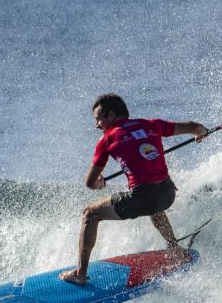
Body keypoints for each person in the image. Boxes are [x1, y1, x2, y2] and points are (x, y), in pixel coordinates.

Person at [59, 93, 208, 286]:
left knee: (89, 213)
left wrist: (100, 183)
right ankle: (174, 249)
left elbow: (90, 183)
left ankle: (80, 273)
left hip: (142, 198)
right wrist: (201, 133)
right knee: (154, 203)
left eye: (98, 119)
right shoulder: (152, 124)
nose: (97, 125)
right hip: (168, 193)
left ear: (111, 115)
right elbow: (195, 127)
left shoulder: (106, 140)